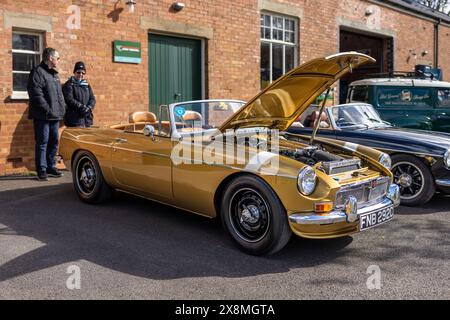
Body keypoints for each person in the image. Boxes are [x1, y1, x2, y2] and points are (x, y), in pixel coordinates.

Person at [27, 47, 66, 181]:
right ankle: (41, 170)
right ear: (51, 58)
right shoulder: (37, 72)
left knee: (54, 142)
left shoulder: (54, 74)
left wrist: (62, 109)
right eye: (58, 58)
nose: (58, 60)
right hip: (42, 116)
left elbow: (59, 95)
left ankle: (51, 166)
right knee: (42, 142)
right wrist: (48, 110)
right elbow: (36, 95)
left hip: (55, 116)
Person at [62, 61, 96, 128]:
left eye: (83, 73)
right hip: (74, 120)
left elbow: (92, 98)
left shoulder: (86, 85)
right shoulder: (69, 84)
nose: (81, 74)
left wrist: (89, 107)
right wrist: (81, 107)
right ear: (74, 72)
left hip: (86, 119)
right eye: (78, 72)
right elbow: (69, 99)